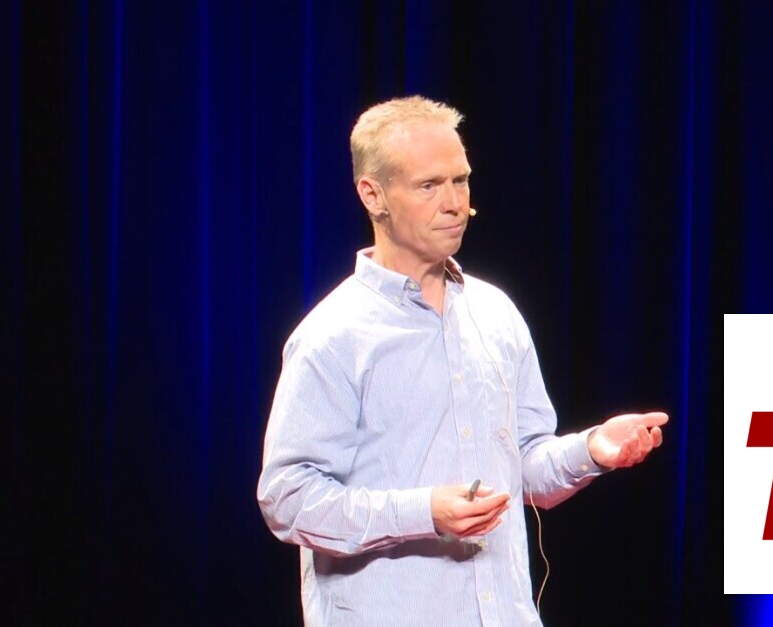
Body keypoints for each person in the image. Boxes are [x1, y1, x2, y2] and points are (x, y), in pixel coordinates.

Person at [257, 95, 668, 626]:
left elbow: (525, 466)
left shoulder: (495, 313)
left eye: (461, 180)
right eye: (429, 186)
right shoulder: (332, 337)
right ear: (373, 195)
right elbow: (288, 498)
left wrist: (591, 450)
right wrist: (423, 512)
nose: (454, 203)